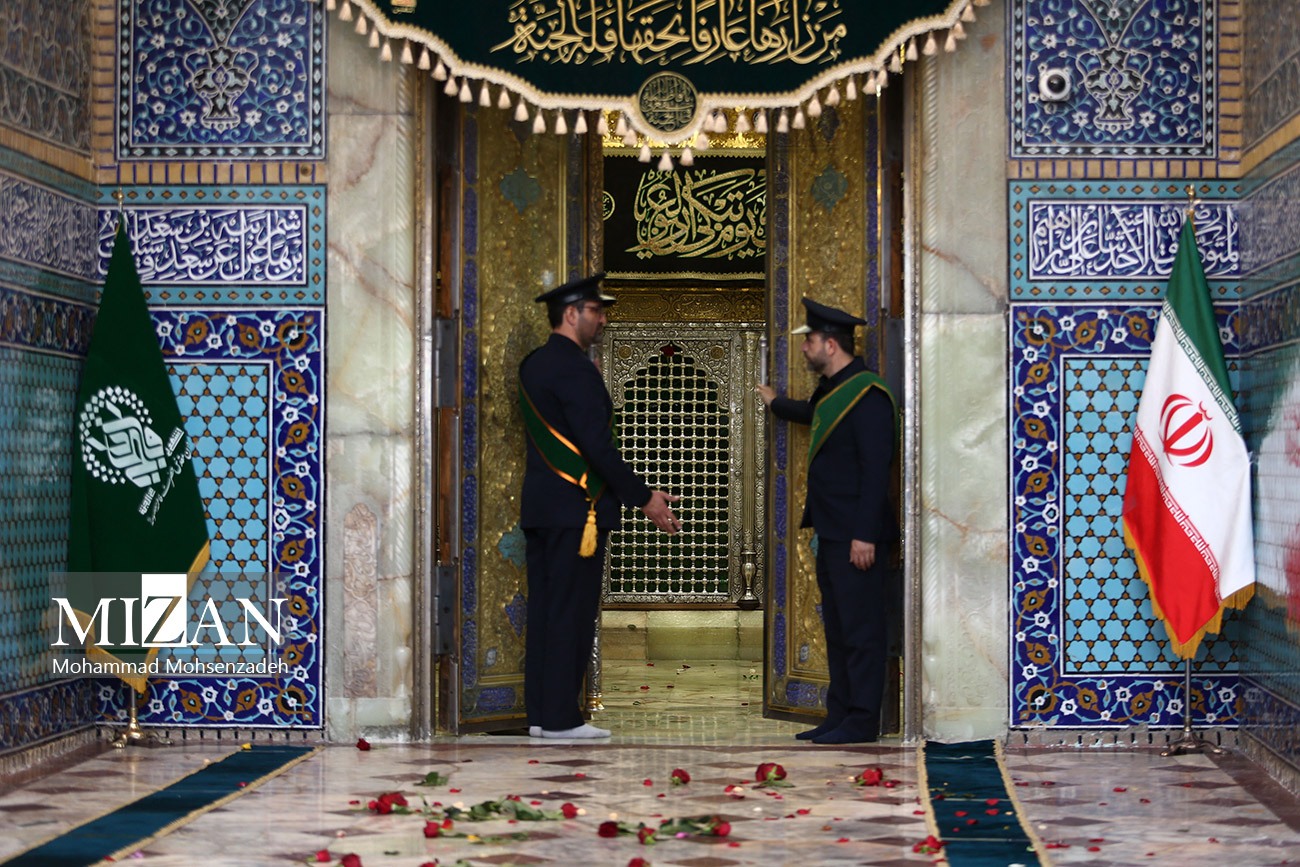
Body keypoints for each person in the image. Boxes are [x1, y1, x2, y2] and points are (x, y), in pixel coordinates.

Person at [518, 272, 681, 739]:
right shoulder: (575, 368)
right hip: (578, 511)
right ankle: (562, 720)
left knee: (546, 612)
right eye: (596, 310)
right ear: (571, 314)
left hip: (543, 508)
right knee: (569, 614)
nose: (603, 319)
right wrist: (644, 498)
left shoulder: (534, 364)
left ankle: (541, 717)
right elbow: (597, 446)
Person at [757, 298, 898, 744]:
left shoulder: (869, 396)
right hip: (832, 531)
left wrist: (864, 534)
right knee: (838, 630)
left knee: (861, 631)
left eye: (810, 341)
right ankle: (839, 714)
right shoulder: (834, 391)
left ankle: (862, 720)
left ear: (831, 345)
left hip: (857, 535)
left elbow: (876, 471)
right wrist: (776, 403)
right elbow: (812, 414)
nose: (805, 348)